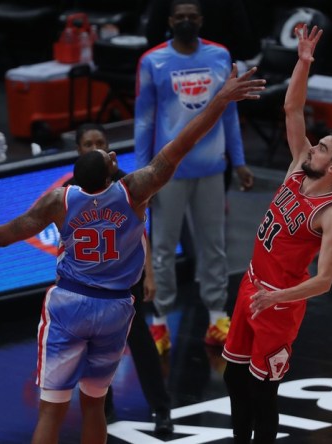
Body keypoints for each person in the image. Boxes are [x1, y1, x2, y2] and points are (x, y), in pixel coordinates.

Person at [0, 66, 265, 444]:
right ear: (109, 174)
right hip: (115, 309)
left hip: (70, 304)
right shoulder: (133, 191)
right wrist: (220, 99)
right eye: (107, 155)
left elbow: (8, 234)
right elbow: (182, 144)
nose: (109, 153)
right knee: (94, 405)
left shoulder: (60, 200)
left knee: (52, 410)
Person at [221, 25, 332, 444]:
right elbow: (292, 109)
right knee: (233, 377)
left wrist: (276, 298)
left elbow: (324, 280)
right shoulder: (299, 168)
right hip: (251, 284)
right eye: (315, 145)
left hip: (279, 305)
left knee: (264, 394)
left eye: (321, 149)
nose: (311, 149)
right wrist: (303, 62)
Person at [135, 0, 256, 354]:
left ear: (201, 20)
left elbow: (230, 114)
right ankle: (159, 321)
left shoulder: (220, 56)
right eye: (180, 17)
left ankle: (218, 318)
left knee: (214, 245)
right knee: (162, 248)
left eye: (192, 16)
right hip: (167, 172)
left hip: (211, 169)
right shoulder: (152, 61)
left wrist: (240, 160)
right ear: (170, 21)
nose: (186, 22)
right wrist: (144, 175)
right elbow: (143, 121)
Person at [64, 123, 173, 436]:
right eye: (88, 143)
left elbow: (141, 232)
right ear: (79, 150)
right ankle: (105, 410)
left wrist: (149, 273)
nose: (95, 147)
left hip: (127, 280)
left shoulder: (129, 183)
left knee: (140, 343)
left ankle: (162, 409)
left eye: (100, 141)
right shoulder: (72, 190)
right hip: (92, 284)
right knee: (96, 348)